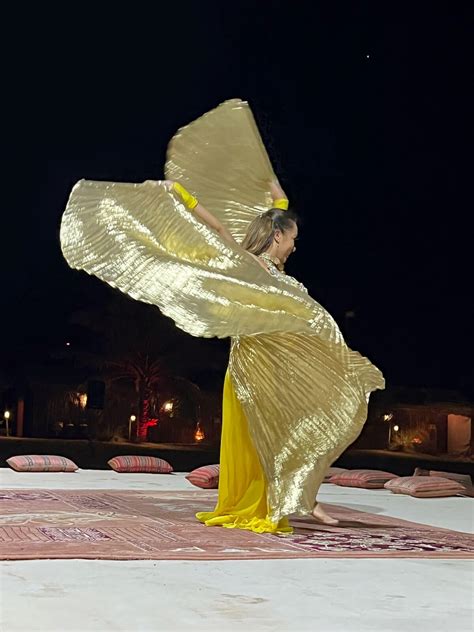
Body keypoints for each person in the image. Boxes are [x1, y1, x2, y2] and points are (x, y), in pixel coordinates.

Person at [60, 98, 384, 535]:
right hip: (251, 369)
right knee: (262, 437)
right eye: (293, 237)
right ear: (277, 235)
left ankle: (301, 498)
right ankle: (274, 502)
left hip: (280, 367)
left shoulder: (280, 276)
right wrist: (177, 194)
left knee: (295, 427)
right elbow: (214, 227)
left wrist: (265, 171)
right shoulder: (246, 264)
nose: (295, 244)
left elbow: (279, 200)